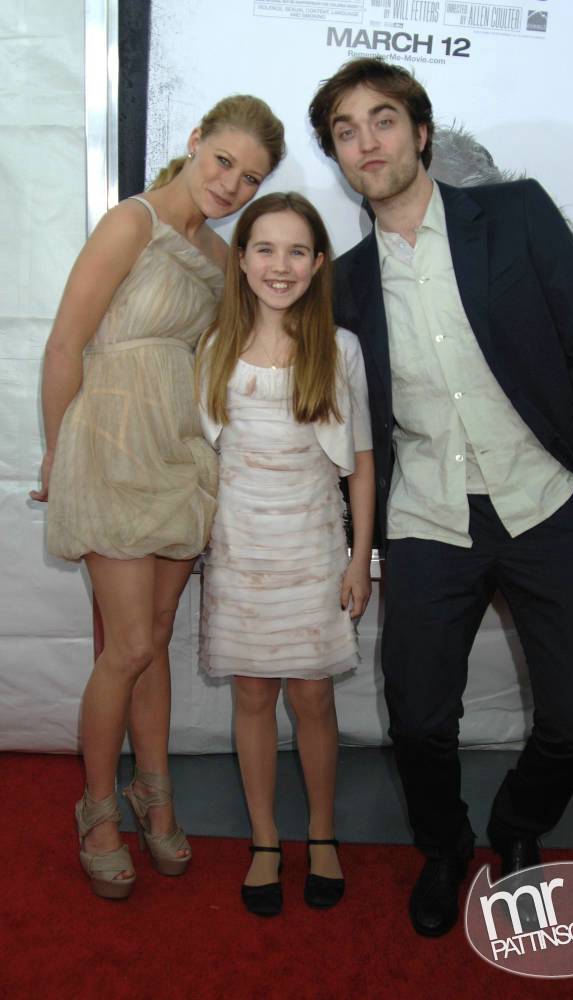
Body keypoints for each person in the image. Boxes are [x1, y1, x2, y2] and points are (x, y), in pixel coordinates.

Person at [309, 58, 573, 936]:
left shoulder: (516, 215)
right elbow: (344, 421)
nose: (366, 142)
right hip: (427, 515)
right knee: (417, 720)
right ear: (337, 158)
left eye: (382, 120)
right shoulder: (343, 284)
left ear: (420, 133)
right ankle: (444, 845)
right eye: (345, 131)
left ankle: (517, 825)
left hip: (547, 501)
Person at [30, 95, 285, 899]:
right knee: (129, 644)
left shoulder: (218, 256)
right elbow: (65, 344)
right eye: (224, 161)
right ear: (195, 140)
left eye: (250, 178)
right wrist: (58, 452)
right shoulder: (129, 223)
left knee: (159, 635)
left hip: (178, 448)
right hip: (108, 443)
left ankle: (154, 792)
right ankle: (98, 808)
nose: (231, 185)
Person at [197, 191, 374, 916]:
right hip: (241, 552)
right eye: (265, 249)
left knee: (311, 696)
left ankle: (322, 834)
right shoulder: (214, 349)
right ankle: (265, 841)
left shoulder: (340, 349)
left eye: (297, 250)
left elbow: (361, 462)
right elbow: (202, 459)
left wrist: (359, 558)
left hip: (312, 548)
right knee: (251, 694)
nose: (280, 265)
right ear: (241, 260)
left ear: (318, 262)